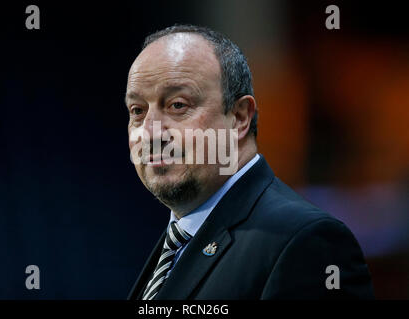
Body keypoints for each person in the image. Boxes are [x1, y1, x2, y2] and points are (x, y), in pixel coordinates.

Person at [125, 24, 374, 300]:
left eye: (178, 105)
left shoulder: (308, 242)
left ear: (240, 117)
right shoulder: (174, 243)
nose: (150, 132)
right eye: (137, 110)